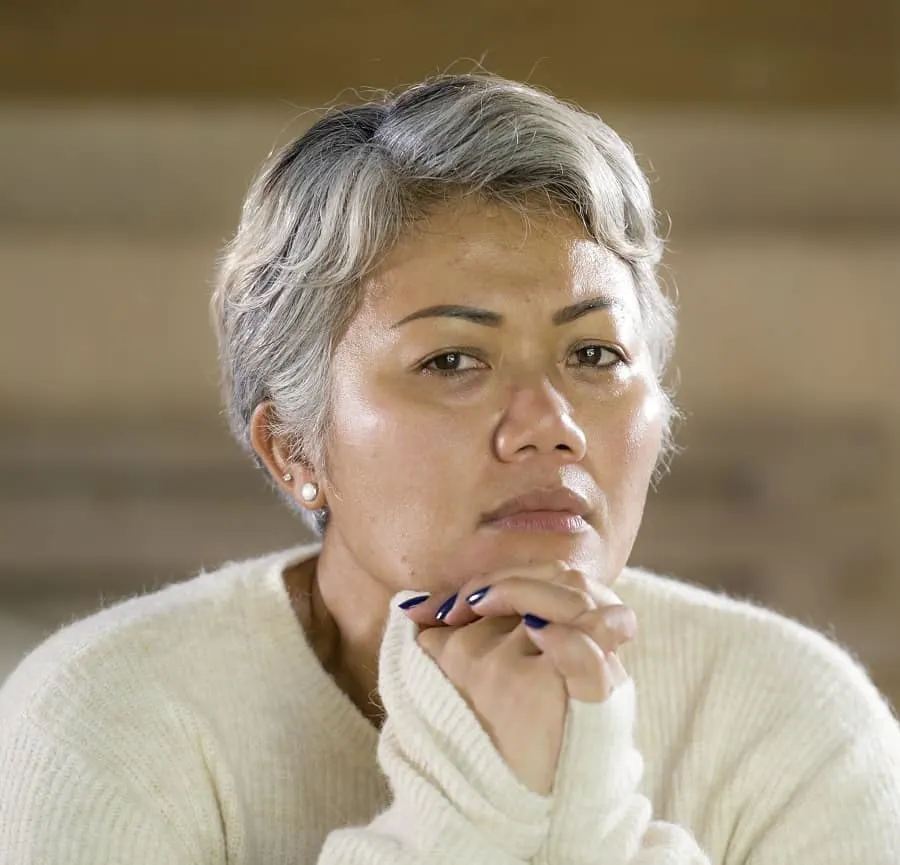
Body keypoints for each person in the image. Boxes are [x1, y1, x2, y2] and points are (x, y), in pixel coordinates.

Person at [1, 72, 898, 864]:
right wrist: (483, 811)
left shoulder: (791, 715)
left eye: (594, 355)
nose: (550, 426)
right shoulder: (107, 717)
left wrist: (577, 803)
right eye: (452, 361)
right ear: (293, 450)